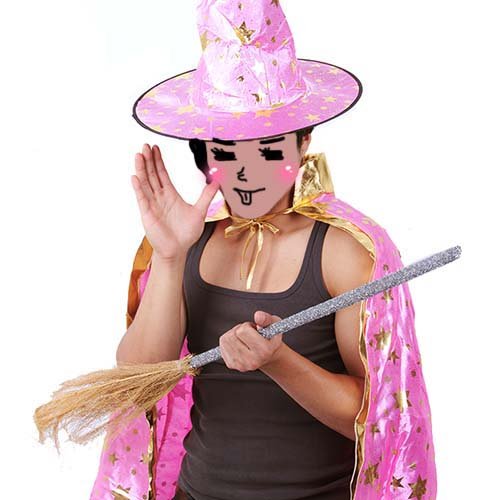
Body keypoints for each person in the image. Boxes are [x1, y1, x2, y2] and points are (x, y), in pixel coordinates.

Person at [90, 1, 437, 499]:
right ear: (204, 151)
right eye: (225, 153)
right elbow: (138, 381)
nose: (246, 173)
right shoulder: (192, 239)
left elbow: (376, 416)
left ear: (304, 140)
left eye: (269, 151)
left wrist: (279, 361)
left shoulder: (345, 251)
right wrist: (169, 257)